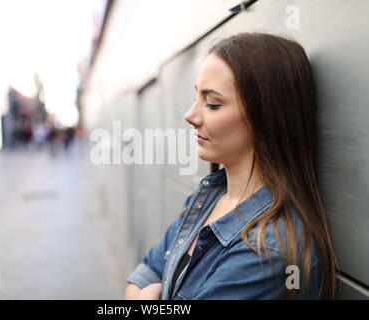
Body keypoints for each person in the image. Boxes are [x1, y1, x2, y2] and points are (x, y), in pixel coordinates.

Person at [124, 32, 337, 300]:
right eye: (197, 97)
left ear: (265, 116)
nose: (190, 115)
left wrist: (149, 295)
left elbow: (142, 286)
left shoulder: (266, 251)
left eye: (212, 104)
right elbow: (142, 274)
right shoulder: (206, 198)